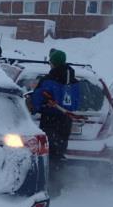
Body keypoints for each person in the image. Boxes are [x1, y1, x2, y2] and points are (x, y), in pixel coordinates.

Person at [31, 49, 80, 192]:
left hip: (50, 120)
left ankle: (45, 185)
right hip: (66, 120)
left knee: (47, 151)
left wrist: (36, 106)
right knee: (59, 151)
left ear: (53, 63)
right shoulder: (74, 81)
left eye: (50, 62)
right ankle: (57, 184)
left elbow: (37, 100)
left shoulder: (48, 80)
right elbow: (76, 103)